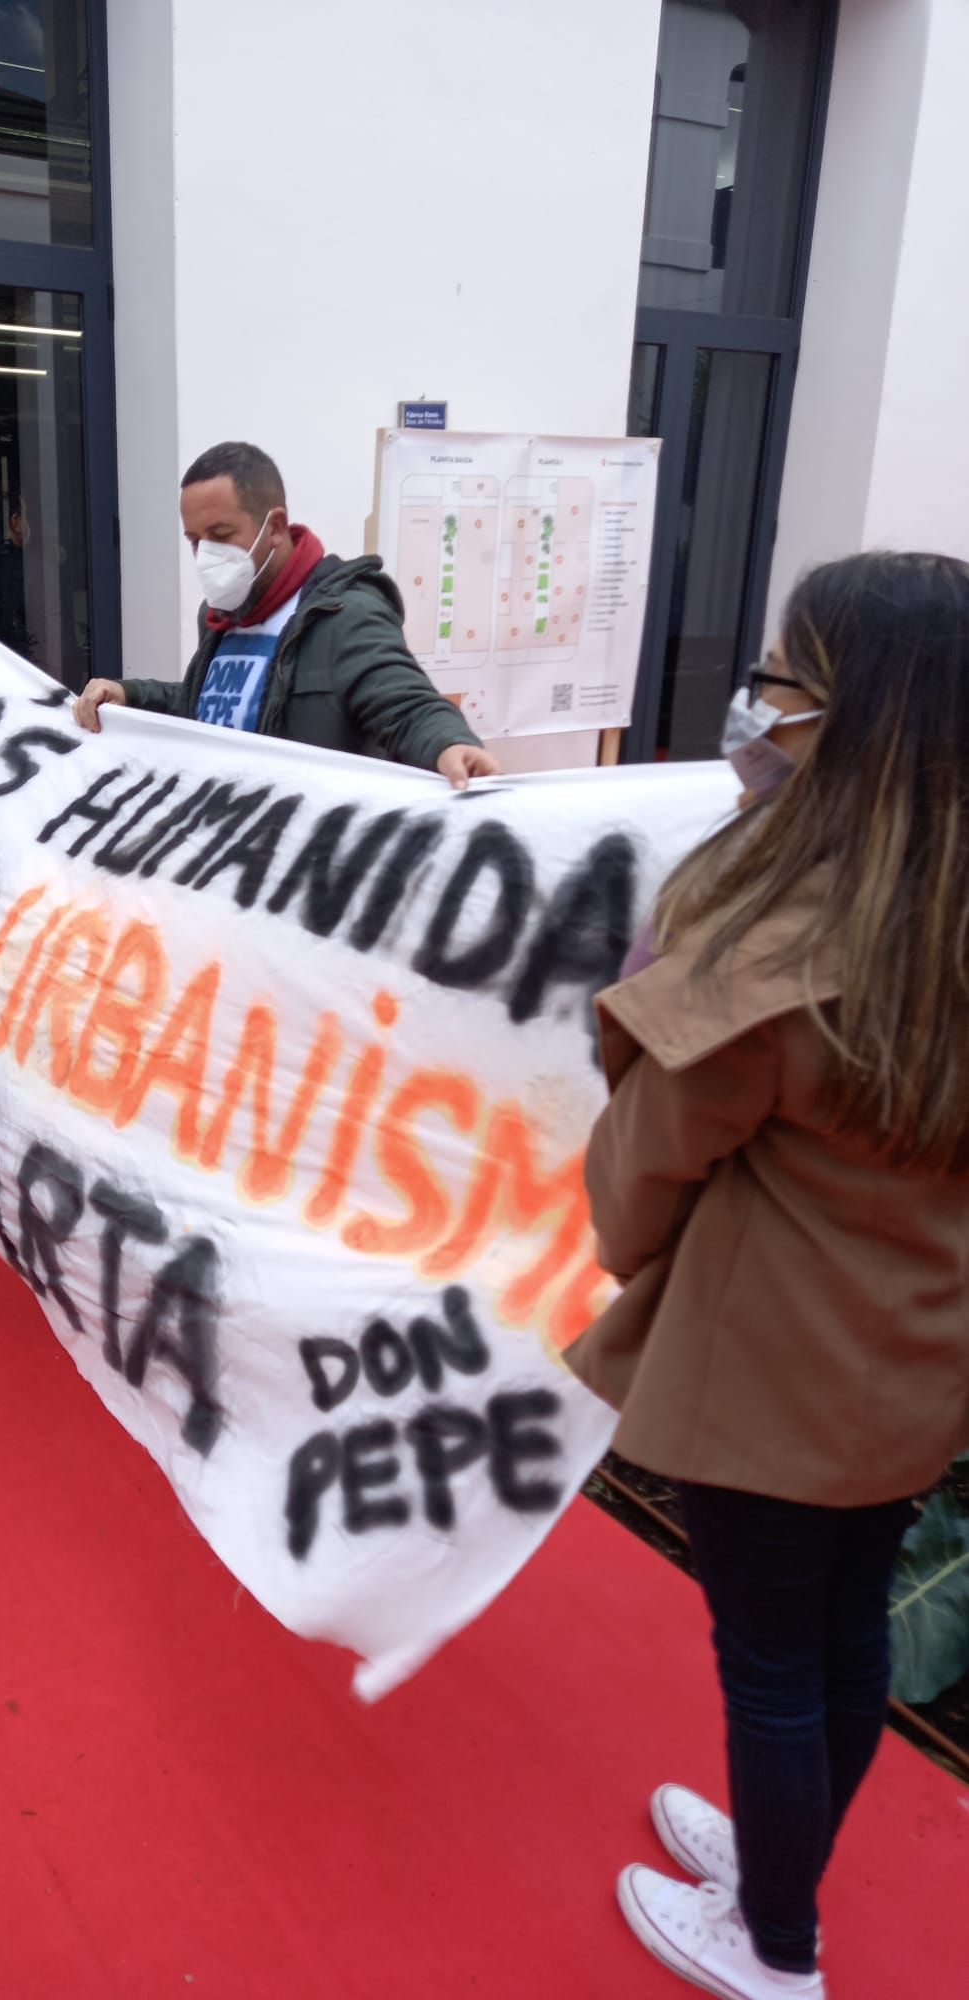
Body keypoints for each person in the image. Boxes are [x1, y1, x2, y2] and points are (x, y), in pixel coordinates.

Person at [566, 551, 969, 1999]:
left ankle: (776, 1945)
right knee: (847, 1631)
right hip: (918, 1363)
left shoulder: (778, 951)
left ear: (848, 722)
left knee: (771, 1663)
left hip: (769, 1375)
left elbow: (649, 1166)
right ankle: (776, 1862)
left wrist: (622, 1235)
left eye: (783, 684)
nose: (757, 707)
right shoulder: (937, 916)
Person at [73, 441, 501, 782]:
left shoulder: (344, 615)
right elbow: (205, 704)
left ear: (275, 527)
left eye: (221, 535)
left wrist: (449, 744)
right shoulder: (221, 616)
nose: (206, 555)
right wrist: (129, 694)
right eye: (195, 540)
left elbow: (405, 704)